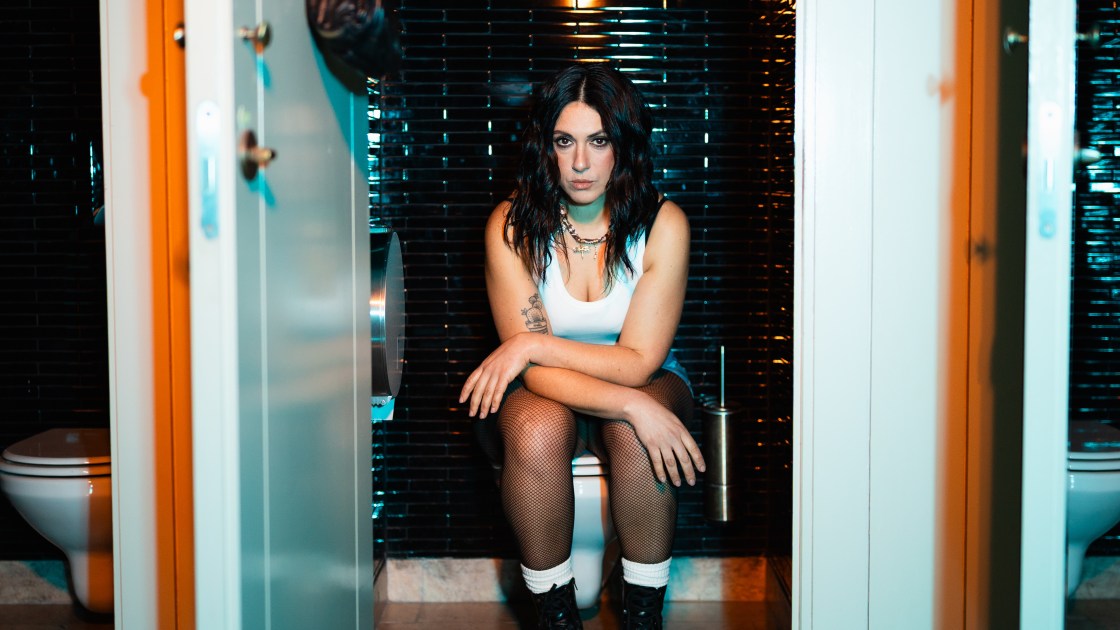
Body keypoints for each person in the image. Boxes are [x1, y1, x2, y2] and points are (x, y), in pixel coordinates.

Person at [460, 62, 705, 630]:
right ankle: (557, 620)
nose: (579, 163)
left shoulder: (663, 223)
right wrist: (630, 403)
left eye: (598, 141)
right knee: (538, 427)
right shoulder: (511, 226)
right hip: (545, 394)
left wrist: (532, 346)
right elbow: (534, 376)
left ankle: (643, 618)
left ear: (623, 144)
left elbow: (638, 363)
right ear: (545, 146)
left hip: (647, 378)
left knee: (636, 435)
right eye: (564, 141)